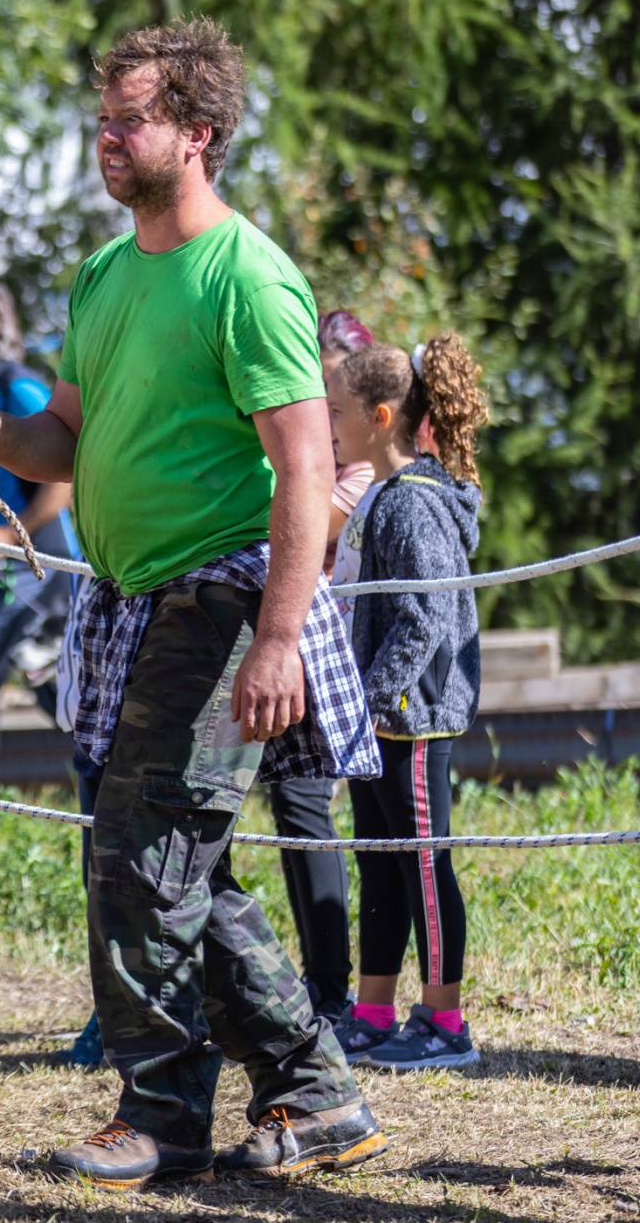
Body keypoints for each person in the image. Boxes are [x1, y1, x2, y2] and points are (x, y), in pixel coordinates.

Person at [0, 18, 386, 1187]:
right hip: (130, 605)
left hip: (224, 597)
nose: (107, 137)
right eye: (102, 117)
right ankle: (316, 1092)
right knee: (180, 864)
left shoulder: (249, 276)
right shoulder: (103, 275)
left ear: (197, 133)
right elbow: (69, 438)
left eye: (131, 118)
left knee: (144, 856)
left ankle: (163, 1113)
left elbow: (304, 469)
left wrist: (283, 636)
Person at [327, 336, 488, 1070]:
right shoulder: (385, 498)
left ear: (381, 416)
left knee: (425, 866)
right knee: (381, 865)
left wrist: (371, 695)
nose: (328, 422)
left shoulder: (413, 505)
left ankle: (445, 1021)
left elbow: (425, 615)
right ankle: (373, 1010)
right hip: (378, 721)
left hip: (412, 719)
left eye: (337, 410)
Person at [259, 307, 378, 1028]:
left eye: (331, 395)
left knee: (306, 809)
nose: (321, 410)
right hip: (267, 631)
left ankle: (330, 990)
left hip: (321, 652)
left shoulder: (358, 468)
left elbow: (312, 522)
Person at [0, 281, 78, 784]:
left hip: (40, 562)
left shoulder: (18, 388)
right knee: (40, 673)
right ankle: (101, 762)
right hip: (20, 562)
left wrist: (9, 535)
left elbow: (58, 487)